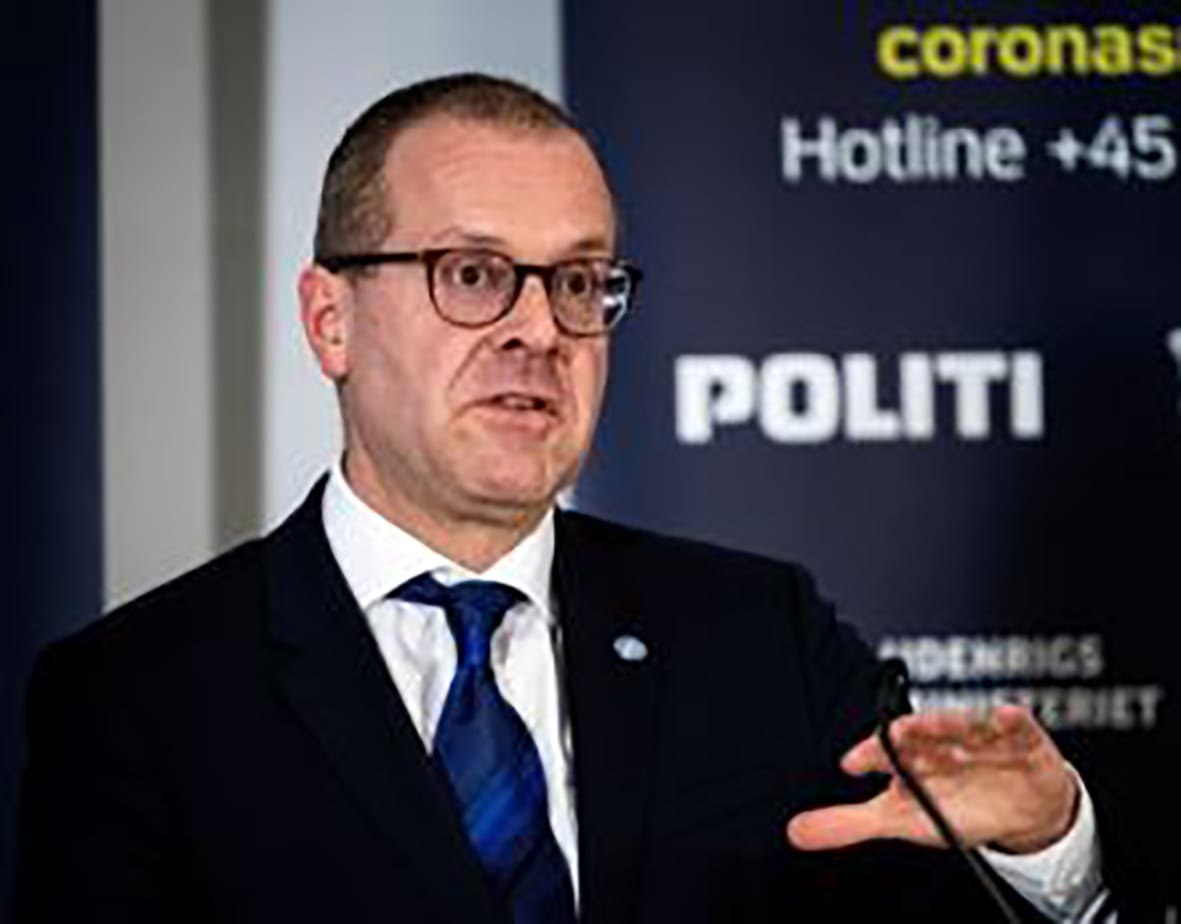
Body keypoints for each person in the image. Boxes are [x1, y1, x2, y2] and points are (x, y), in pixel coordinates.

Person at [15, 73, 1135, 923]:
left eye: (578, 280)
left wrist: (1048, 851)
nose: (538, 330)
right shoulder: (137, 695)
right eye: (471, 274)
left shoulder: (763, 638)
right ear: (329, 322)